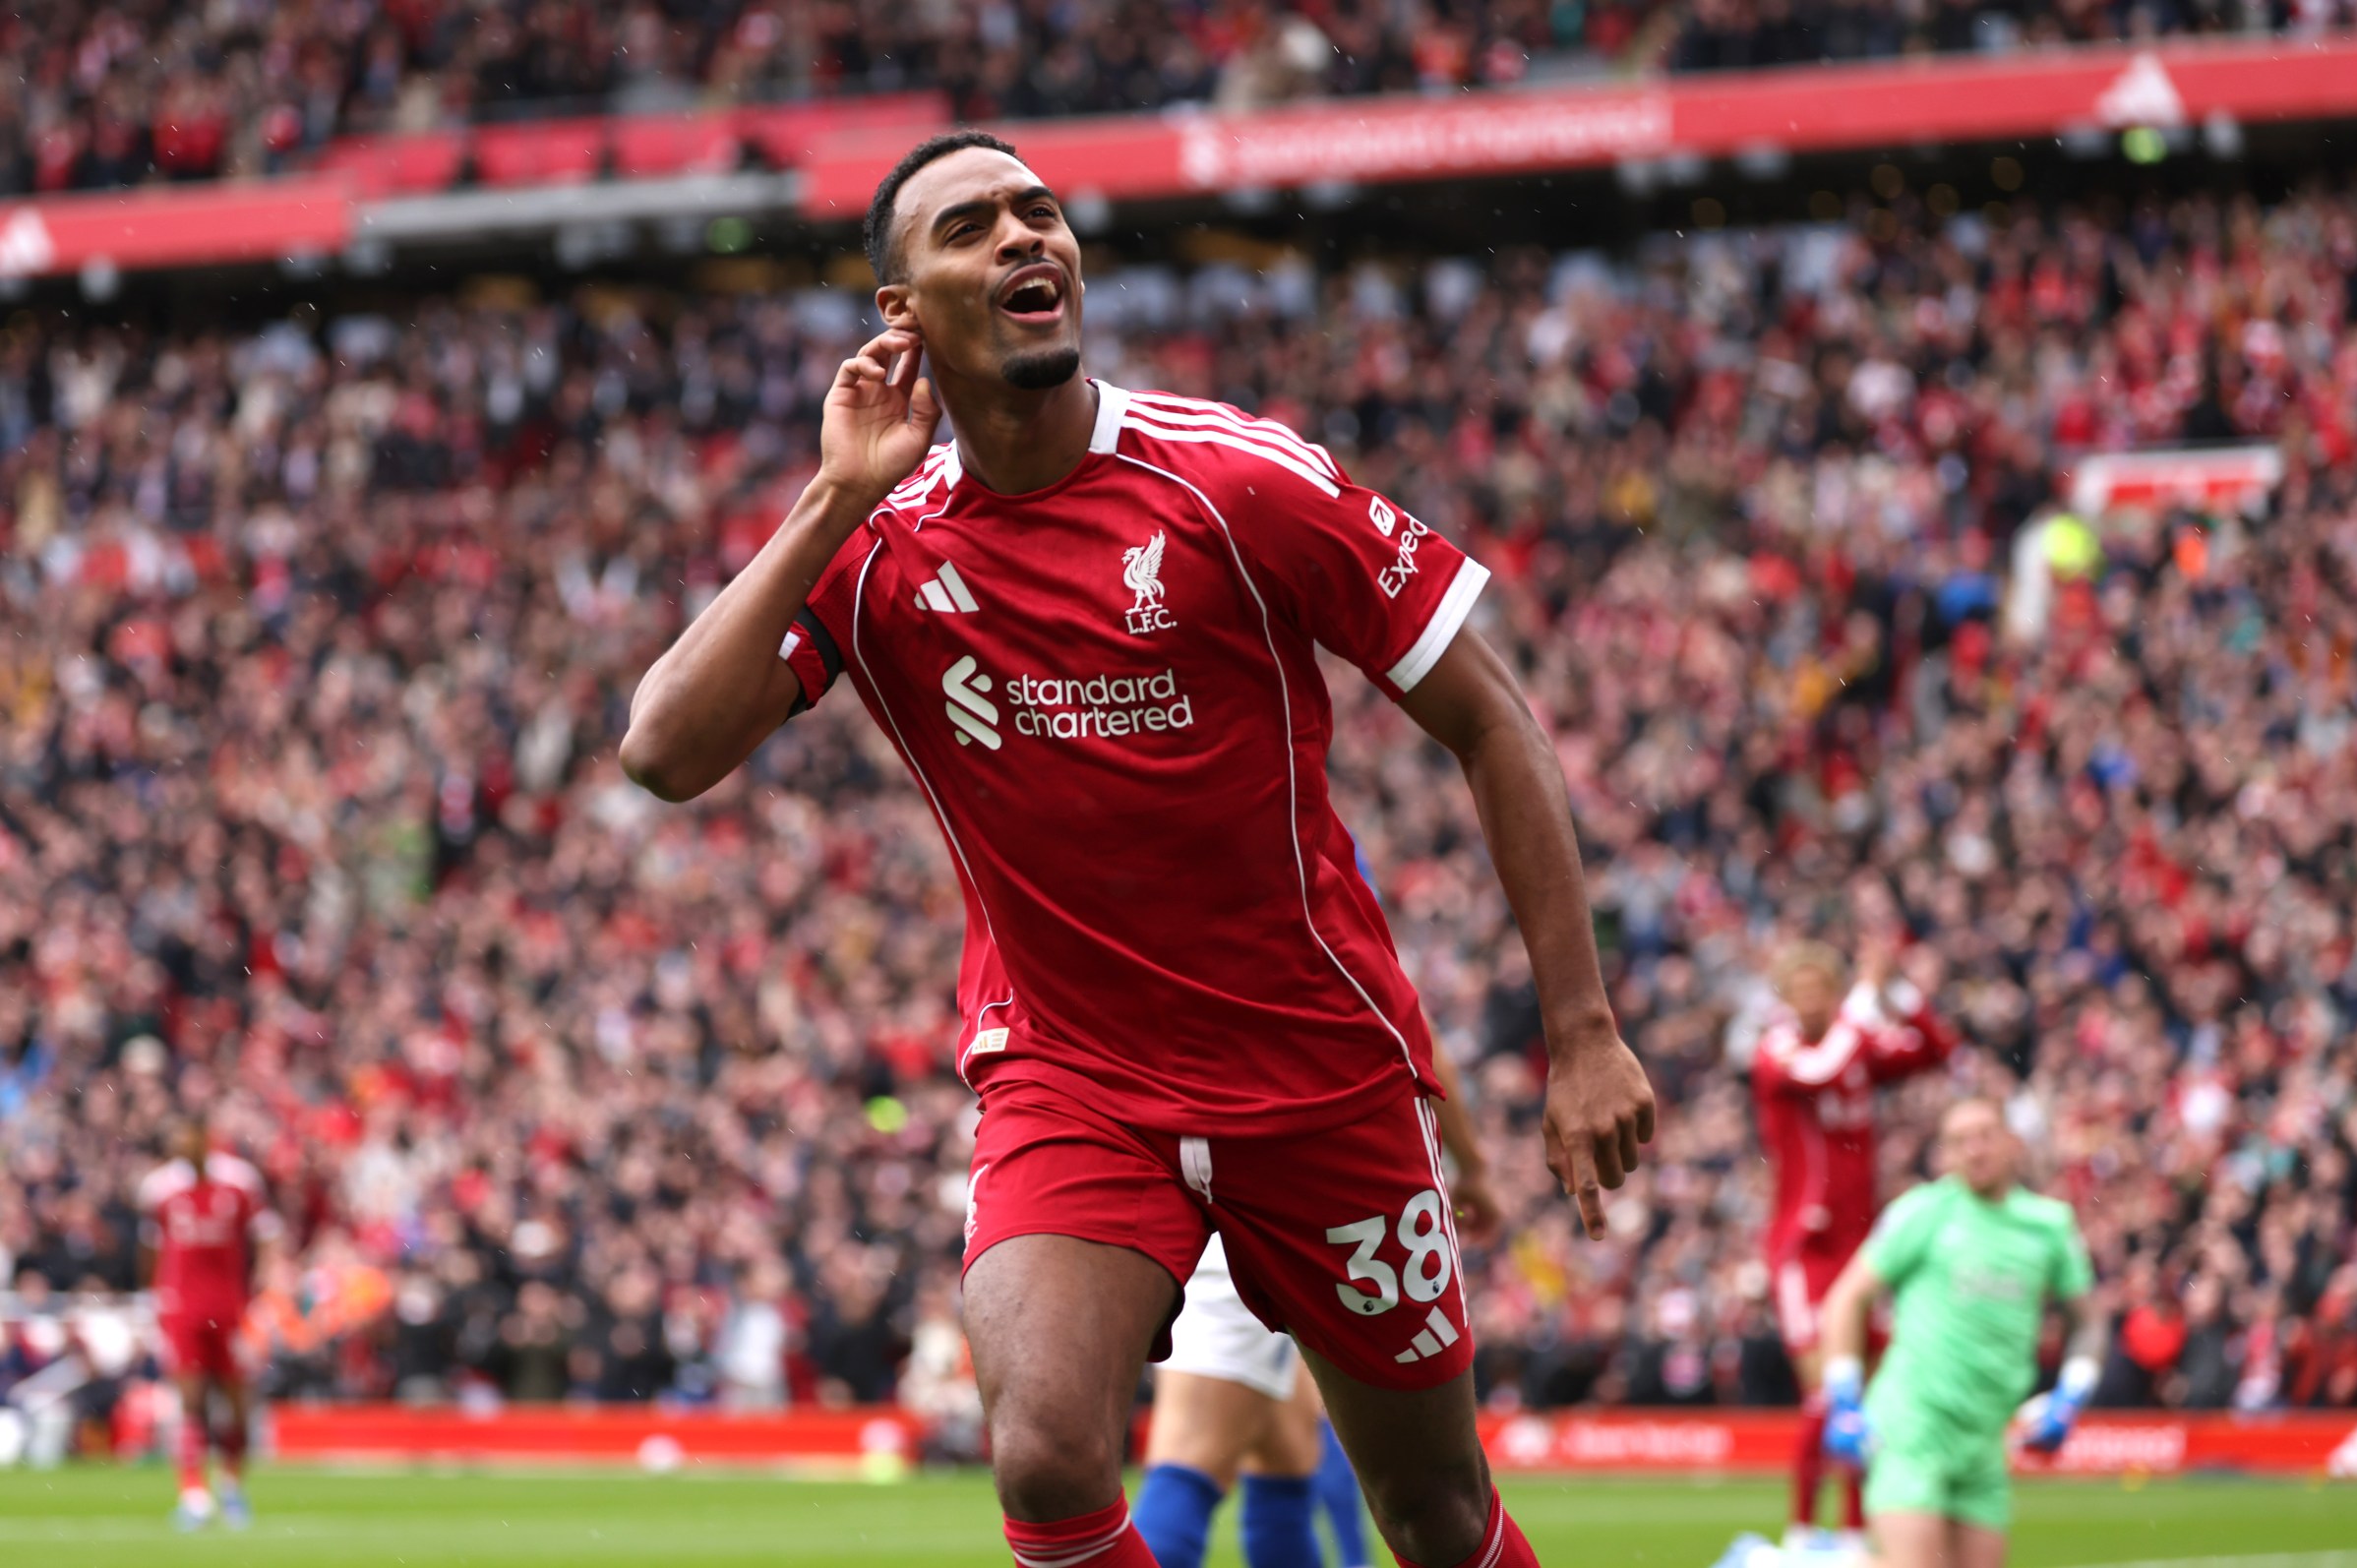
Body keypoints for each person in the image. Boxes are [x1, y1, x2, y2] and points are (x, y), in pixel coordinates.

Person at [621, 129, 1656, 1568]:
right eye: (973, 226)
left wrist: (1584, 1029)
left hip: (1316, 1075)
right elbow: (662, 752)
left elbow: (1491, 719)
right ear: (899, 313)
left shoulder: (1238, 481)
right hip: (1073, 1074)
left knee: (1433, 1512)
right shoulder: (874, 547)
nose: (1025, 238)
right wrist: (834, 493)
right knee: (1045, 1454)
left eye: (1040, 212)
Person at [1135, 1048, 1505, 1568]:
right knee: (1192, 1451)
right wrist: (1473, 1166)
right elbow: (1410, 1030)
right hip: (1264, 1176)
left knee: (1284, 1452)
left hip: (1199, 1157)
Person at [1819, 1099, 2105, 1568]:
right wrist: (1844, 1399)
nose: (1974, 1150)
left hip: (1985, 1441)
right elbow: (1846, 1299)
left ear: (2011, 1142)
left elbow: (2089, 1320)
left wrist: (2071, 1395)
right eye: (1959, 1142)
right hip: (1914, 1427)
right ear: (1945, 1156)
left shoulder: (2049, 1225)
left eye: (1985, 1135)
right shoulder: (1923, 1212)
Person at [1751, 937, 1953, 1555]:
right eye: (1801, 990)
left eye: (1823, 989)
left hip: (1860, 1246)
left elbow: (1937, 1050)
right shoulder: (1777, 1052)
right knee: (1824, 1392)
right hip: (1804, 1248)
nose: (1812, 1001)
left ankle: (1857, 1532)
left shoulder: (1855, 1040)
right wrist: (1866, 1000)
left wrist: (1897, 990)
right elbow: (1823, 1070)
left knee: (1864, 1394)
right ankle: (1805, 1532)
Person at [138, 1116, 277, 1531]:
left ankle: (232, 1487)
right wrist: (154, 1297)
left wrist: (262, 1289)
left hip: (230, 1308)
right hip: (182, 1309)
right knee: (190, 1401)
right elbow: (150, 1249)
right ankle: (194, 1494)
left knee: (236, 1404)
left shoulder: (239, 1182)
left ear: (206, 1138)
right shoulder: (160, 1187)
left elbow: (266, 1237)